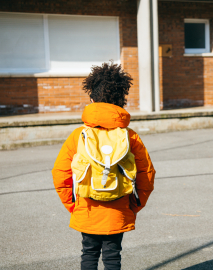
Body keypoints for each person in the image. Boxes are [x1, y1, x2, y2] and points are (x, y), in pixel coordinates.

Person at [52, 62, 155, 270]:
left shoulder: (78, 135)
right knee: (112, 256)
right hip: (119, 208)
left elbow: (60, 173)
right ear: (121, 103)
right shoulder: (131, 137)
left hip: (87, 208)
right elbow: (147, 174)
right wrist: (135, 204)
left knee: (88, 253)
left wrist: (73, 205)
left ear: (91, 100)